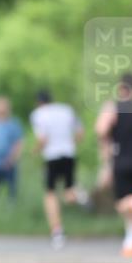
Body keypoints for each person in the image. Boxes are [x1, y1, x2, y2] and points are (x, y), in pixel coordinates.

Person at [95, 73, 132, 257]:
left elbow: (100, 130)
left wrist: (106, 156)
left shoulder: (112, 107)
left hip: (121, 161)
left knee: (122, 202)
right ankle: (131, 242)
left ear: (121, 88)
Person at [30, 89, 87, 249]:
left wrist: (34, 151)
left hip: (52, 156)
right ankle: (80, 195)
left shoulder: (38, 114)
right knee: (68, 194)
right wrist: (70, 143)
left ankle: (57, 231)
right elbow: (80, 132)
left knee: (50, 194)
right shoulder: (66, 109)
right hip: (69, 154)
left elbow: (43, 139)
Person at [0, 96, 24, 202]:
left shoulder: (13, 123)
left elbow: (18, 143)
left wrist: (12, 158)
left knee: (11, 191)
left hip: (9, 162)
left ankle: (11, 211)